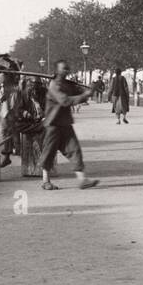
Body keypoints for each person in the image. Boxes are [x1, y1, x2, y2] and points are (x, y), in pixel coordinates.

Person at [38, 60, 98, 190]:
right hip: (52, 124)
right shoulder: (54, 85)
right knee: (49, 152)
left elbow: (78, 91)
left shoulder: (67, 84)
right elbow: (65, 101)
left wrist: (90, 89)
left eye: (67, 68)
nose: (66, 71)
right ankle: (45, 181)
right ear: (57, 70)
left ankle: (82, 180)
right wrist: (84, 95)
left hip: (65, 123)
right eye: (63, 69)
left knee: (75, 150)